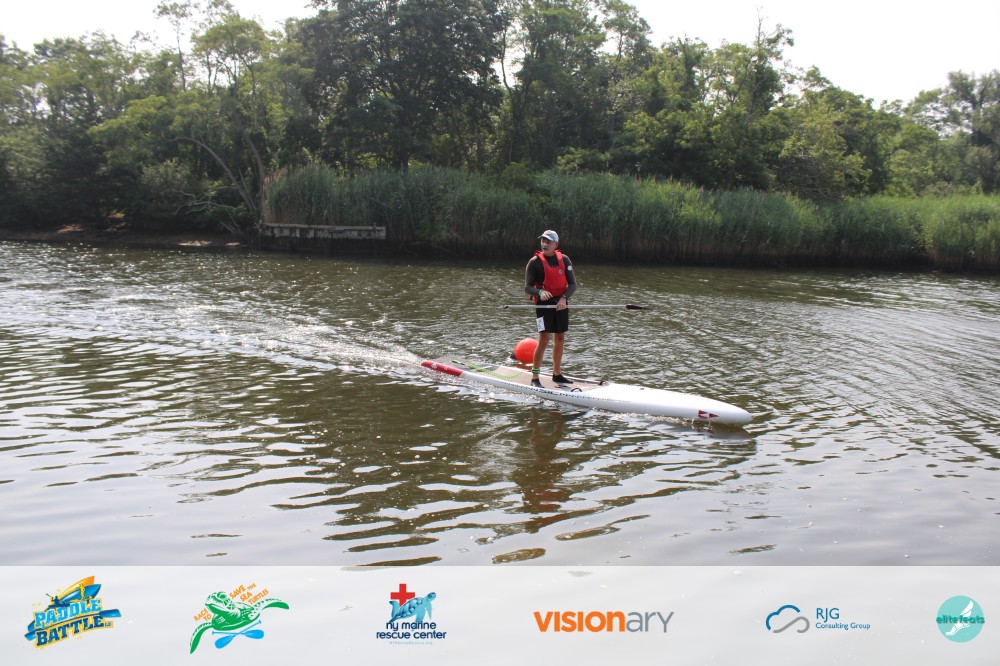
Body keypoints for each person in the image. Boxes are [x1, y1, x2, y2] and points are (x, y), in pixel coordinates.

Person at [524, 229, 577, 387]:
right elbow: (527, 287)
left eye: (548, 242)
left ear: (556, 245)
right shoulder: (534, 262)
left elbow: (573, 285)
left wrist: (564, 298)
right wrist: (540, 292)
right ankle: (535, 377)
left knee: (560, 338)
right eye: (543, 241)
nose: (544, 244)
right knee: (544, 339)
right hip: (544, 305)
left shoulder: (564, 260)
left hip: (561, 303)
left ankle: (557, 374)